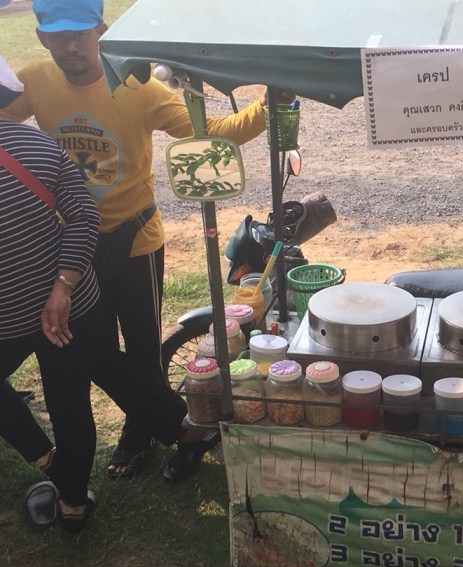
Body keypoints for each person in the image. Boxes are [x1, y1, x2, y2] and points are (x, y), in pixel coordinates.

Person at [1, 0, 273, 478]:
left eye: (80, 34)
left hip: (135, 239)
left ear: (102, 31)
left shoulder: (138, 88)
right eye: (58, 35)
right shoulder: (35, 82)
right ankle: (154, 426)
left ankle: (140, 433)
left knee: (143, 347)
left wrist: (270, 106)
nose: (70, 46)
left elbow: (211, 133)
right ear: (42, 37)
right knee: (97, 349)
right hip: (74, 246)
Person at [0, 55, 99, 532]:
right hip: (66, 309)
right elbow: (84, 215)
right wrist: (62, 287)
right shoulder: (38, 143)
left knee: (68, 406)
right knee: (70, 405)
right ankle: (73, 504)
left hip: (10, 318)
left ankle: (46, 459)